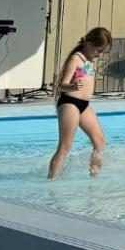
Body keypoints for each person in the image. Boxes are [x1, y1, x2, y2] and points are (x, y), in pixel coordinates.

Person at [48, 27, 111, 180]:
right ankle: (51, 182)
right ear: (89, 43)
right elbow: (62, 85)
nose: (99, 54)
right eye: (98, 50)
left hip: (84, 104)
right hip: (70, 103)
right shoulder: (75, 59)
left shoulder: (88, 60)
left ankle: (94, 178)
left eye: (101, 51)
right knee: (65, 147)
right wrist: (73, 86)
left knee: (100, 142)